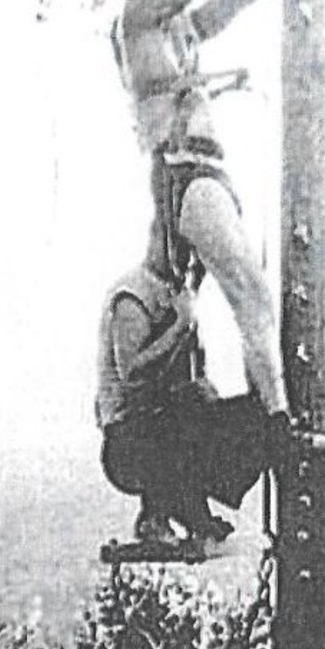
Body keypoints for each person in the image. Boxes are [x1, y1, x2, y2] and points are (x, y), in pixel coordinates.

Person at [110, 0, 301, 427]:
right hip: (182, 169)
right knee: (249, 288)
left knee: (252, 295)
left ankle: (273, 423)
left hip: (205, 170)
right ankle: (279, 425)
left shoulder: (177, 26)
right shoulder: (141, 12)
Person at [95, 220, 272, 551]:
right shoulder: (133, 296)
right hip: (130, 443)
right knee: (184, 417)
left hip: (162, 429)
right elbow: (131, 373)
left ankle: (187, 511)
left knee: (255, 419)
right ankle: (162, 516)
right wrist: (180, 326)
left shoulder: (174, 292)